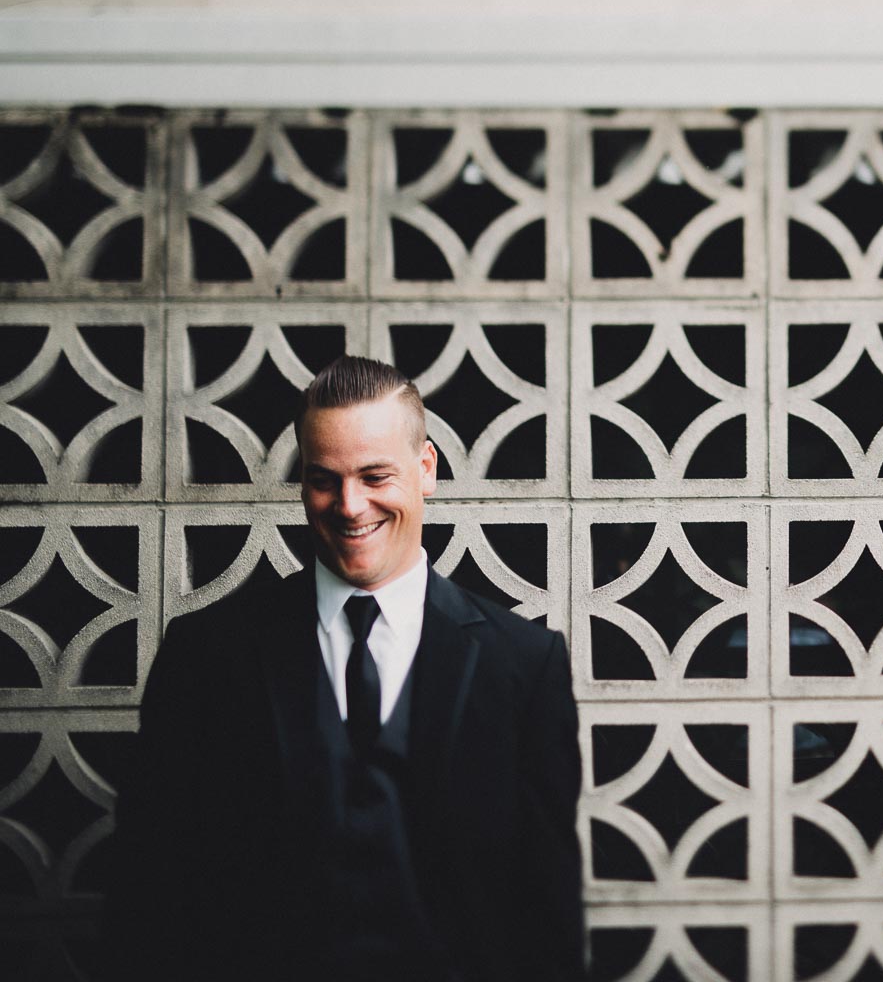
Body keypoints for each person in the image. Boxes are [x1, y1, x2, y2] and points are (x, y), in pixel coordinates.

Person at [106, 356, 584, 982]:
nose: (350, 506)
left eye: (375, 476)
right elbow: (151, 883)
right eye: (323, 479)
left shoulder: (524, 663)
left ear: (426, 469)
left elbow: (546, 907)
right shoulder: (206, 654)